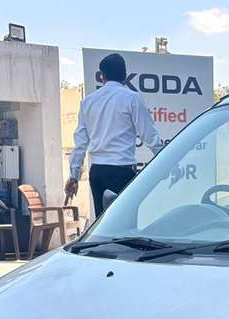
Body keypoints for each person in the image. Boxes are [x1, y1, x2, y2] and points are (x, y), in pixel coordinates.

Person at [65, 53, 163, 215]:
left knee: (102, 223)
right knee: (124, 222)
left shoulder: (87, 102)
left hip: (97, 172)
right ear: (124, 76)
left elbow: (80, 142)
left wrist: (74, 175)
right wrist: (165, 157)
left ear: (102, 76)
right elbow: (149, 135)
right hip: (122, 171)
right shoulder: (132, 98)